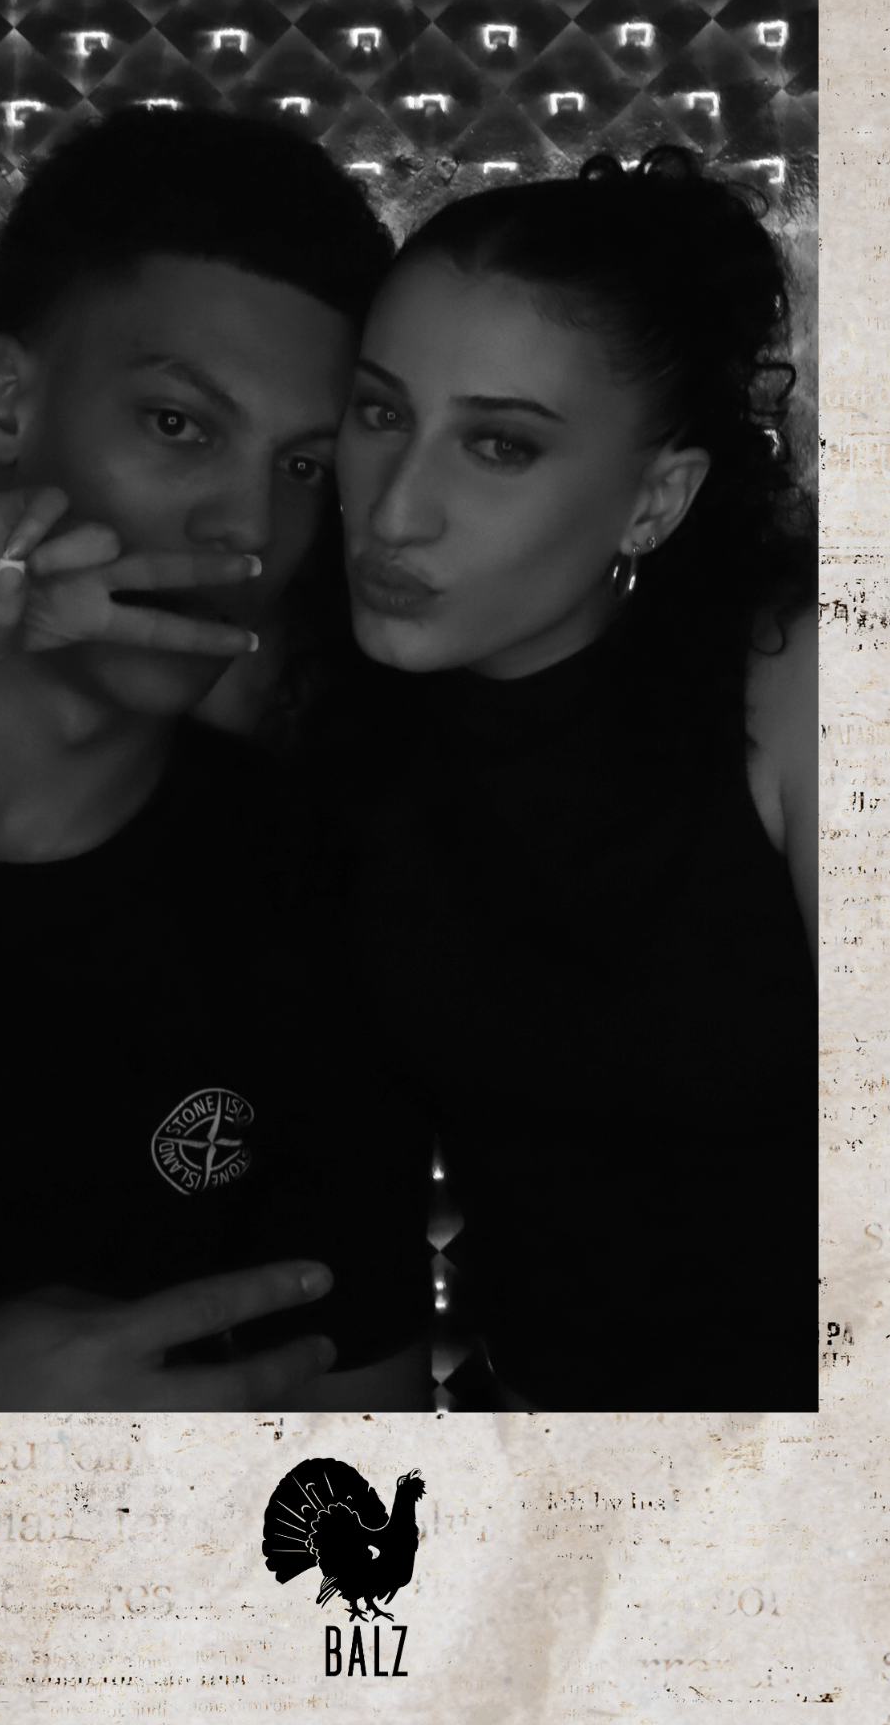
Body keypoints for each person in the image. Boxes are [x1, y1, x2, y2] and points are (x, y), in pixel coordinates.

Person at [0, 106, 436, 1411]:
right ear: (5, 401)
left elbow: (365, 1448)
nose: (246, 527)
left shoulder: (315, 899)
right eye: (180, 424)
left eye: (303, 466)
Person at [328, 147, 817, 1409]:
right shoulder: (328, 707)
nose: (397, 511)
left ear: (656, 500)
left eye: (498, 445)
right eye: (380, 414)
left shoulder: (795, 691)